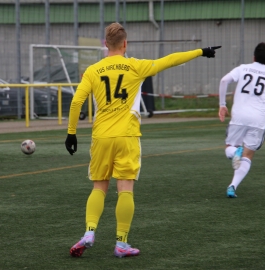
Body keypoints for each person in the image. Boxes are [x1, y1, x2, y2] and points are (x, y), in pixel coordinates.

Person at [65, 22, 221, 258]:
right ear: (125, 44)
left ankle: (89, 232)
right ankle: (121, 243)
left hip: (101, 137)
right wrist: (201, 51)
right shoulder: (135, 66)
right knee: (125, 189)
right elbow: (169, 60)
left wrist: (71, 132)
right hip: (127, 136)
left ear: (105, 44)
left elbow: (77, 102)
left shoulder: (93, 70)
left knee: (99, 187)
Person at [218, 42, 265, 198]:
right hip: (258, 119)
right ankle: (232, 186)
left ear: (254, 56)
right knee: (248, 154)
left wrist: (222, 105)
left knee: (229, 147)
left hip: (239, 115)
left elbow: (224, 81)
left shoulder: (242, 68)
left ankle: (234, 153)